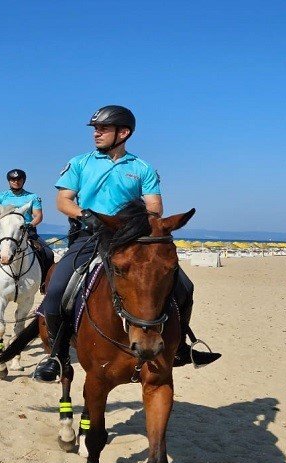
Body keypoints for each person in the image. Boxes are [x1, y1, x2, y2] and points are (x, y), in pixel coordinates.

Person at [33, 105, 220, 382]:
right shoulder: (80, 163)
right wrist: (87, 216)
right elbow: (63, 201)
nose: (96, 133)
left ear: (124, 133)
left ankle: (180, 347)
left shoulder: (142, 168)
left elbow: (155, 208)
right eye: (95, 128)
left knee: (183, 285)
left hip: (130, 239)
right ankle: (58, 356)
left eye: (103, 129)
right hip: (90, 236)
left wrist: (136, 223)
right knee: (58, 287)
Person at [0, 169, 55, 294]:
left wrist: (29, 225)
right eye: (13, 180)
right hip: (5, 233)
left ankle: (43, 283)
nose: (16, 182)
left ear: (23, 181)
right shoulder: (0, 197)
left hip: (26, 231)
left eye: (19, 179)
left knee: (48, 253)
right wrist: (1, 225)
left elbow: (38, 216)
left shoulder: (32, 197)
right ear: (9, 181)